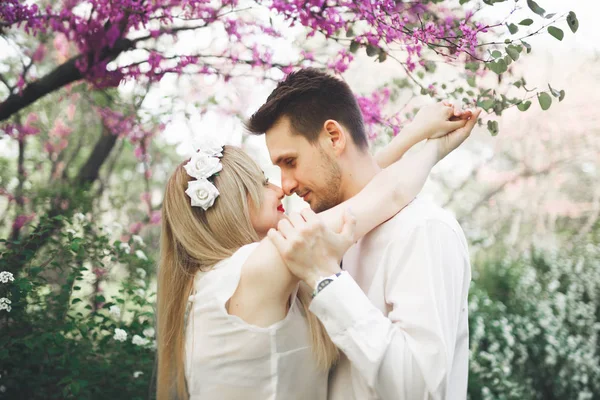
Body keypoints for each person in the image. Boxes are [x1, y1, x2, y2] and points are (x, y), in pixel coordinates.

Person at [156, 88, 477, 399]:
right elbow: (381, 196)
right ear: (233, 205)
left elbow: (358, 191)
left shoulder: (221, 280)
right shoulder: (258, 267)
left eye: (287, 164)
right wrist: (433, 147)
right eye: (261, 181)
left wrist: (413, 134)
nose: (280, 187)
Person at [247, 68, 478, 399]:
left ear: (334, 137)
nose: (285, 185)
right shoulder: (323, 230)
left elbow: (420, 387)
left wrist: (326, 278)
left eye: (290, 161)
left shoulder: (423, 230)